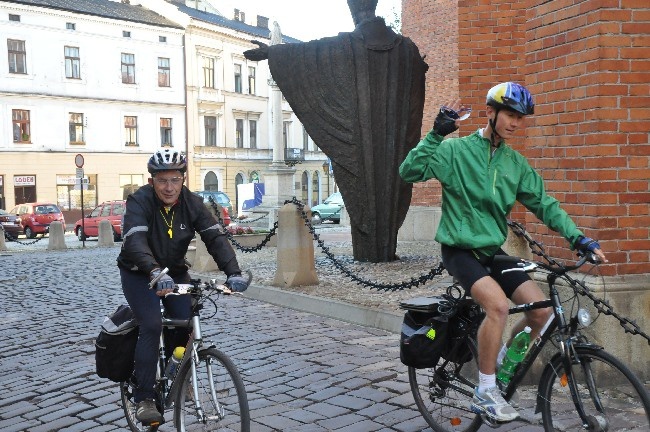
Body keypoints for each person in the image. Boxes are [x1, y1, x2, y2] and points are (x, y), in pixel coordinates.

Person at [399, 82, 607, 423]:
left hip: (492, 251)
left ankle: (503, 361)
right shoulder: (456, 152)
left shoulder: (515, 163)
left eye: (520, 118)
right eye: (510, 115)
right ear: (490, 113)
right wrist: (435, 135)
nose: (515, 123)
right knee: (497, 306)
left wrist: (580, 239)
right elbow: (409, 171)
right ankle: (485, 389)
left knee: (543, 313)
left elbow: (544, 205)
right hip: (460, 250)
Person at [244, 0, 428, 263]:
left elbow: (310, 54)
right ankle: (383, 250)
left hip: (361, 145)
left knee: (365, 192)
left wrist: (273, 54)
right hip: (395, 144)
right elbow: (417, 81)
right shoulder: (406, 49)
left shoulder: (345, 46)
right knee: (391, 189)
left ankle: (370, 252)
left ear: (354, 11)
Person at [117, 148, 248, 425]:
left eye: (175, 180)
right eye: (162, 180)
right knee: (151, 324)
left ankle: (175, 373)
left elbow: (214, 237)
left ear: (183, 179)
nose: (169, 187)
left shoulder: (192, 203)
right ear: (152, 180)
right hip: (139, 272)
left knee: (185, 322)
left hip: (174, 271)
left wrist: (233, 272)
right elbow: (135, 240)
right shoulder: (139, 201)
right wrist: (153, 271)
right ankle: (144, 398)